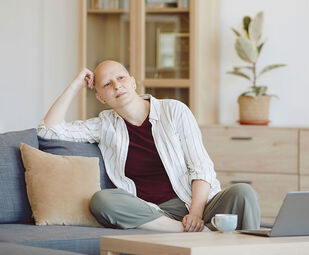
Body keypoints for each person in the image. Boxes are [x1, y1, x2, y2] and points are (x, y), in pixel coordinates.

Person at [37, 60, 260, 232]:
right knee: (103, 200)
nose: (117, 85)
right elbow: (48, 130)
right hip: (154, 214)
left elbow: (200, 167)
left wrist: (195, 214)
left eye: (121, 78)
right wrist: (76, 83)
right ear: (101, 97)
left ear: (133, 82)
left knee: (243, 192)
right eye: (107, 84)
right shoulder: (104, 125)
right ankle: (185, 232)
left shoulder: (174, 111)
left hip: (198, 202)